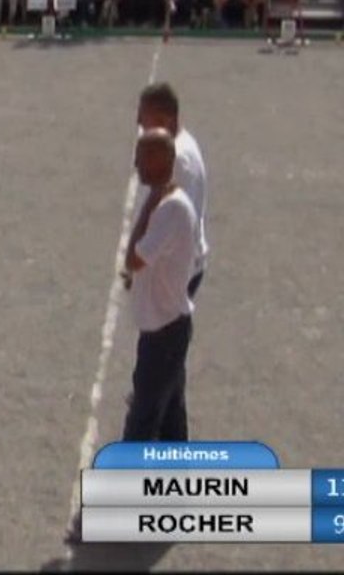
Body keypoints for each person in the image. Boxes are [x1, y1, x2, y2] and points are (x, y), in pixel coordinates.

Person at [122, 128, 198, 443]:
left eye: (141, 158)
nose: (136, 164)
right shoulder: (170, 204)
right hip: (167, 329)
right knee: (171, 421)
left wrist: (150, 201)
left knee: (142, 422)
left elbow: (134, 258)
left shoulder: (170, 208)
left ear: (159, 160)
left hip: (163, 335)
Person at [134, 82, 209, 299]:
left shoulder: (175, 160)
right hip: (178, 268)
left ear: (164, 119)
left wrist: (140, 261)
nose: (138, 121)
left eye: (143, 116)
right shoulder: (178, 144)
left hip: (175, 275)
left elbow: (169, 221)